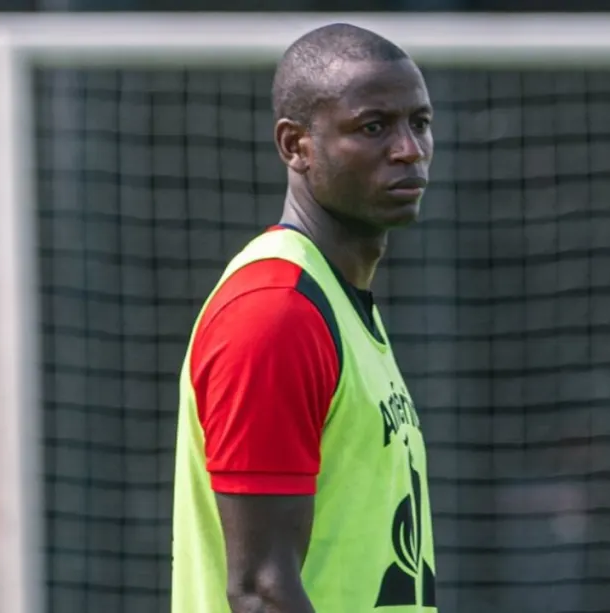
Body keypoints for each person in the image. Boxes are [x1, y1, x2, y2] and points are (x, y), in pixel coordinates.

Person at [172, 23, 437, 612]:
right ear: (296, 145)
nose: (409, 149)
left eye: (419, 123)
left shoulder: (336, 300)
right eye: (373, 127)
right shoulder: (276, 312)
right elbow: (262, 592)